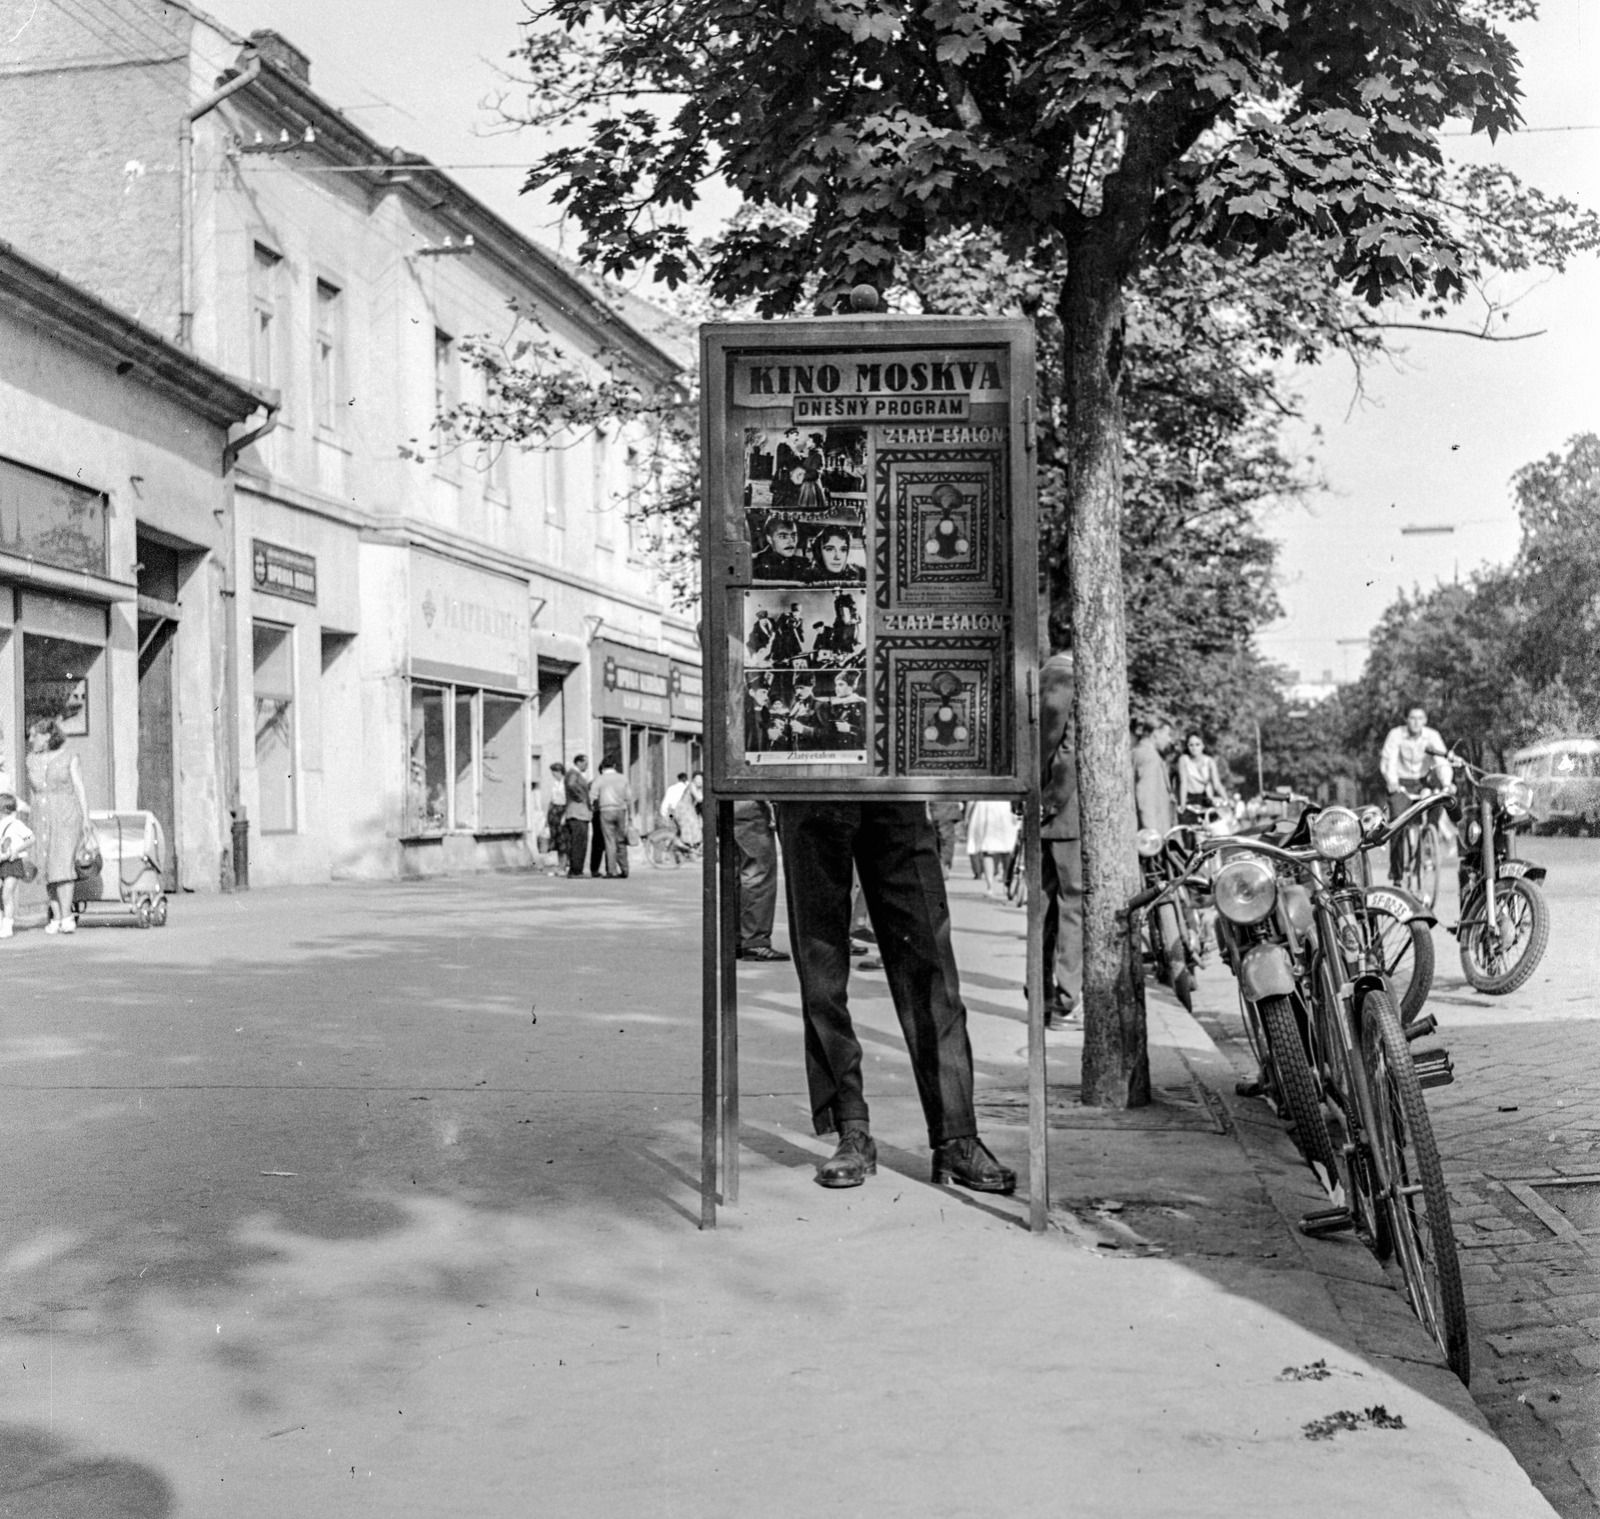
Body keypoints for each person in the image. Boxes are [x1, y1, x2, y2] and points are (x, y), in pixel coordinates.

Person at [775, 800, 1016, 1194]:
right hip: (806, 783)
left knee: (931, 965)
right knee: (822, 977)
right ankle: (851, 1128)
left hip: (895, 783)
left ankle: (957, 1136)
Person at [1038, 650, 1083, 1029]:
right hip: (1065, 811)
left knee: (1042, 908)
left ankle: (1040, 994)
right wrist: (1052, 799)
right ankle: (1068, 1003)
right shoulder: (1072, 677)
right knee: (1073, 906)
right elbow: (1069, 751)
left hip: (1038, 808)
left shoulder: (1041, 675)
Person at [24, 717, 91, 936]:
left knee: (62, 864)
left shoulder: (69, 757)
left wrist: (86, 819)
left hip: (66, 815)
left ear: (48, 736)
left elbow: (79, 787)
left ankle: (67, 916)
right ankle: (55, 915)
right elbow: (33, 793)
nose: (31, 739)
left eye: (35, 735)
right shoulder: (30, 760)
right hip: (40, 817)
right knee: (45, 866)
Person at [1379, 705, 1452, 884]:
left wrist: (1446, 783)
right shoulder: (1396, 735)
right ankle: (1397, 875)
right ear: (1406, 719)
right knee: (1396, 822)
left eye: (1420, 718)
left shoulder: (1432, 736)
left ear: (1425, 720)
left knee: (1439, 802)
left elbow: (1441, 760)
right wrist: (1392, 781)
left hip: (1423, 782)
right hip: (1401, 783)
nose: (1416, 722)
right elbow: (1389, 760)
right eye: (1412, 718)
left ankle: (1428, 843)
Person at [734, 800, 788, 961]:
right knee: (758, 874)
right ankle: (754, 941)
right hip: (752, 804)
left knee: (738, 873)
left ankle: (738, 939)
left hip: (731, 801)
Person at [965, 798, 1019, 900]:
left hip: (987, 808)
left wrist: (967, 815)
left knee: (990, 850)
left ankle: (991, 886)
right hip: (1004, 807)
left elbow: (972, 796)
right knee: (1006, 848)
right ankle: (1006, 882)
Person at [1131, 718, 1177, 834]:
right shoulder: (1150, 757)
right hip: (1152, 830)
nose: (1169, 740)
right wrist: (1151, 833)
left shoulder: (1136, 752)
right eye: (1167, 735)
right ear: (1156, 733)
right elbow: (1146, 797)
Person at [590, 757, 633, 877]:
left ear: (603, 767)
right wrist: (630, 816)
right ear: (614, 765)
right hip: (621, 810)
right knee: (620, 840)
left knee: (609, 841)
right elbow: (629, 798)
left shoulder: (600, 779)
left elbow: (592, 796)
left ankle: (612, 870)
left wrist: (592, 809)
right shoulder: (623, 778)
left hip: (606, 810)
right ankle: (625, 869)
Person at [0, 792, 34, 940]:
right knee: (3, 895)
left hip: (12, 862)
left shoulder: (16, 824)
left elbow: (31, 839)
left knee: (7, 893)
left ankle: (7, 925)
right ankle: (3, 923)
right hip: (2, 861)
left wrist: (17, 850)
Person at [1175, 730, 1227, 824]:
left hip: (1206, 799)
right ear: (1187, 746)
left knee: (1214, 827)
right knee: (1191, 829)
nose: (1194, 748)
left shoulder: (1209, 761)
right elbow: (1184, 783)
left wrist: (1226, 798)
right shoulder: (1184, 760)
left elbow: (1217, 784)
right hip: (1190, 800)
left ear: (1203, 745)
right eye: (1191, 745)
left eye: (1197, 744)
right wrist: (1182, 803)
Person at [562, 755, 592, 879]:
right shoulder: (574, 773)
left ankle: (575, 869)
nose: (587, 766)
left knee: (576, 842)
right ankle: (576, 870)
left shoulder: (574, 773)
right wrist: (580, 797)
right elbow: (571, 785)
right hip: (578, 813)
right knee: (579, 842)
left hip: (575, 812)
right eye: (585, 763)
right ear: (579, 762)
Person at [753, 516, 810, 581]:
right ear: (770, 539)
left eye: (793, 535)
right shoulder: (754, 563)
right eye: (783, 537)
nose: (790, 541)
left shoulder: (804, 564)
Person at [545, 762, 568, 873]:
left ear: (559, 772)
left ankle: (563, 866)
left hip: (562, 810)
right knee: (557, 841)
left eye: (554, 772)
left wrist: (565, 815)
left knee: (563, 840)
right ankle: (560, 866)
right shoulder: (555, 784)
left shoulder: (565, 783)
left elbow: (568, 800)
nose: (553, 775)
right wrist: (547, 818)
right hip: (554, 810)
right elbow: (551, 799)